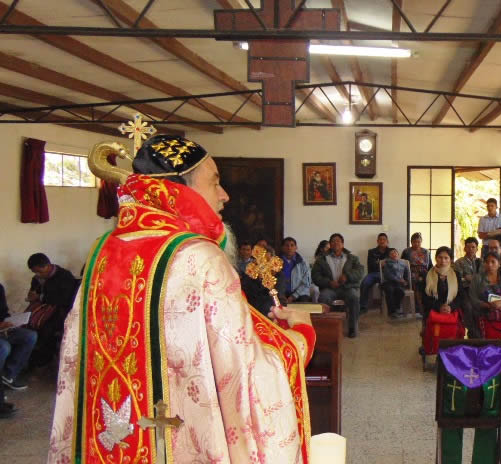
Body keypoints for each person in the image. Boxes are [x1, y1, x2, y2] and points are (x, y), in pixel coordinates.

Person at [49, 135, 316, 463]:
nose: (224, 195)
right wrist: (299, 336)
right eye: (214, 182)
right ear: (179, 190)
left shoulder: (102, 252)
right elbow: (245, 378)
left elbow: (74, 364)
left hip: (112, 436)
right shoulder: (200, 257)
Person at [25, 252, 79, 367]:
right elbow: (34, 294)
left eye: (39, 271)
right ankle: (29, 356)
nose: (37, 274)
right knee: (25, 323)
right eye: (35, 272)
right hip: (42, 310)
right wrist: (32, 296)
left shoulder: (64, 276)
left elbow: (64, 299)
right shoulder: (37, 279)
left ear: (47, 266)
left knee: (47, 329)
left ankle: (43, 358)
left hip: (60, 311)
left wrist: (41, 297)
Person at [313, 233, 365, 338]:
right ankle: (327, 327)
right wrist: (328, 282)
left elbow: (360, 272)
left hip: (347, 288)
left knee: (354, 297)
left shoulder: (352, 258)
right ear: (330, 244)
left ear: (343, 244)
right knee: (323, 297)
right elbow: (315, 276)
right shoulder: (321, 259)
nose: (336, 243)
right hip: (329, 288)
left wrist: (347, 276)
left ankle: (352, 328)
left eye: (338, 241)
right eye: (333, 241)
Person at [1, 282, 37, 414]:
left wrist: (10, 322)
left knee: (29, 336)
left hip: (2, 329)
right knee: (3, 347)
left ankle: (8, 376)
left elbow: (3, 312)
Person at [421, 247, 465, 354]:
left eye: (446, 258)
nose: (443, 261)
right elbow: (425, 298)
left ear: (451, 260)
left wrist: (451, 307)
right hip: (433, 308)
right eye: (440, 257)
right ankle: (434, 348)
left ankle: (452, 349)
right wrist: (439, 307)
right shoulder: (427, 275)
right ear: (436, 258)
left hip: (452, 309)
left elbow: (461, 296)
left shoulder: (456, 275)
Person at [469, 252, 501, 345]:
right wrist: (488, 305)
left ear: (499, 263)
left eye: (493, 262)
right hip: (483, 311)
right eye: (487, 262)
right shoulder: (477, 279)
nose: (489, 265)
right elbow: (473, 299)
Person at [402, 232, 432, 317]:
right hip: (411, 272)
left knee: (428, 281)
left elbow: (430, 265)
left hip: (424, 272)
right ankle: (419, 307)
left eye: (418, 242)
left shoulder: (426, 252)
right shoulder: (406, 251)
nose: (417, 244)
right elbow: (402, 265)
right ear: (411, 242)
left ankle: (428, 306)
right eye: (414, 242)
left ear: (421, 242)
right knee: (417, 281)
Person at [277, 237, 314, 304]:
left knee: (303, 304)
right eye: (287, 245)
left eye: (292, 245)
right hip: (281, 293)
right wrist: (281, 295)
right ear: (282, 248)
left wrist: (293, 296)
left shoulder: (303, 262)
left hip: (300, 293)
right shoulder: (275, 262)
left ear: (296, 247)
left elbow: (306, 282)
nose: (289, 248)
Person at [360, 233, 390, 314]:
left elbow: (393, 263)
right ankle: (363, 307)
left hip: (387, 274)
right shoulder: (371, 251)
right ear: (377, 241)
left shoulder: (391, 251)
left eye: (384, 239)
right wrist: (381, 263)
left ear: (387, 241)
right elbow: (371, 265)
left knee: (390, 284)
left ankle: (390, 307)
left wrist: (378, 263)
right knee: (365, 282)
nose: (382, 241)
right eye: (380, 239)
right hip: (373, 273)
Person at [381, 248, 410, 319]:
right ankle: (392, 312)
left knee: (400, 291)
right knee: (390, 290)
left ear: (398, 254)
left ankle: (396, 309)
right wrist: (399, 280)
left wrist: (406, 281)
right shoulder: (387, 263)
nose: (394, 254)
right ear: (389, 256)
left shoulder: (403, 263)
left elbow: (406, 273)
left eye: (395, 252)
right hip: (388, 282)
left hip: (398, 283)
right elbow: (387, 275)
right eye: (391, 253)